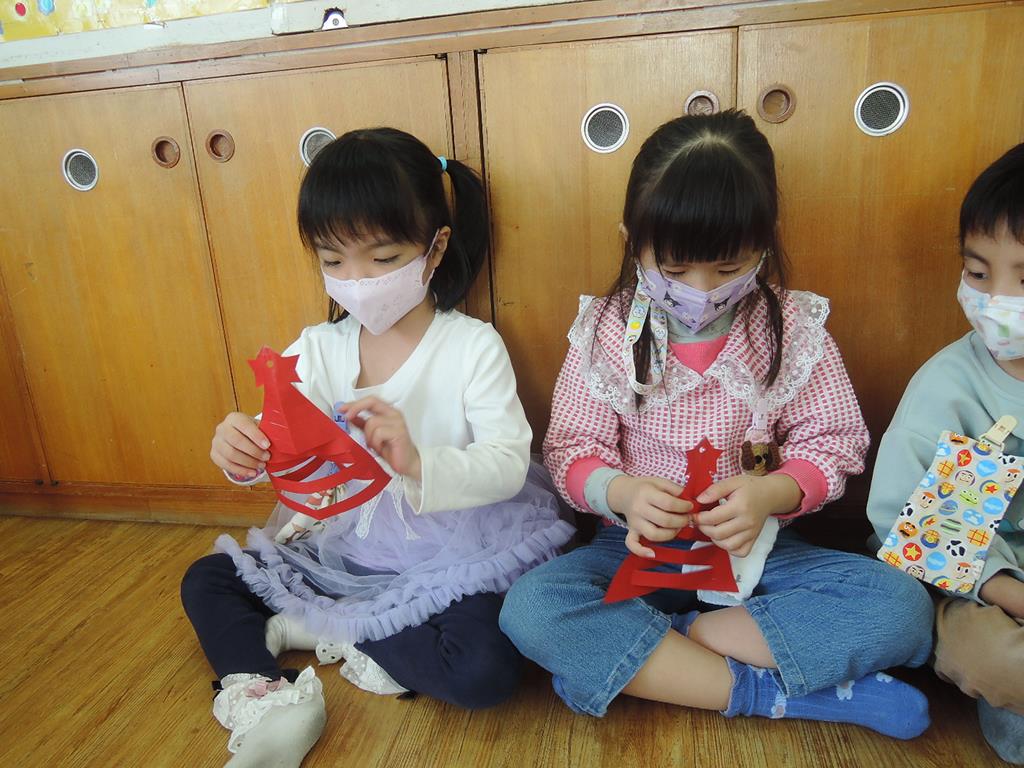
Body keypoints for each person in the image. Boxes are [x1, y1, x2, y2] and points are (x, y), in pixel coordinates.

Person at [499, 110, 933, 739]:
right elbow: (572, 446)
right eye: (675, 271)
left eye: (728, 269)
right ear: (632, 239)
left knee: (903, 609)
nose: (701, 291)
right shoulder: (605, 330)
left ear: (764, 242)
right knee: (531, 608)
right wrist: (621, 493)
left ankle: (657, 658)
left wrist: (770, 494)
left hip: (757, 551)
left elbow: (833, 441)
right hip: (632, 551)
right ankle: (764, 691)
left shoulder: (794, 328)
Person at [181, 128, 574, 767]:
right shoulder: (317, 348)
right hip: (345, 545)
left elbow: (507, 462)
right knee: (208, 578)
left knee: (484, 670)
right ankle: (264, 693)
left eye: (383, 258)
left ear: (435, 247)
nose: (357, 280)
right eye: (333, 261)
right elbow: (280, 442)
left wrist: (417, 462)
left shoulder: (472, 346)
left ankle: (337, 630)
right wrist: (243, 450)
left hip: (452, 550)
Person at [867, 142, 1024, 763]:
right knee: (989, 655)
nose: (998, 299)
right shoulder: (950, 386)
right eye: (978, 274)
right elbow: (922, 530)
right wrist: (1010, 593)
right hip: (977, 588)